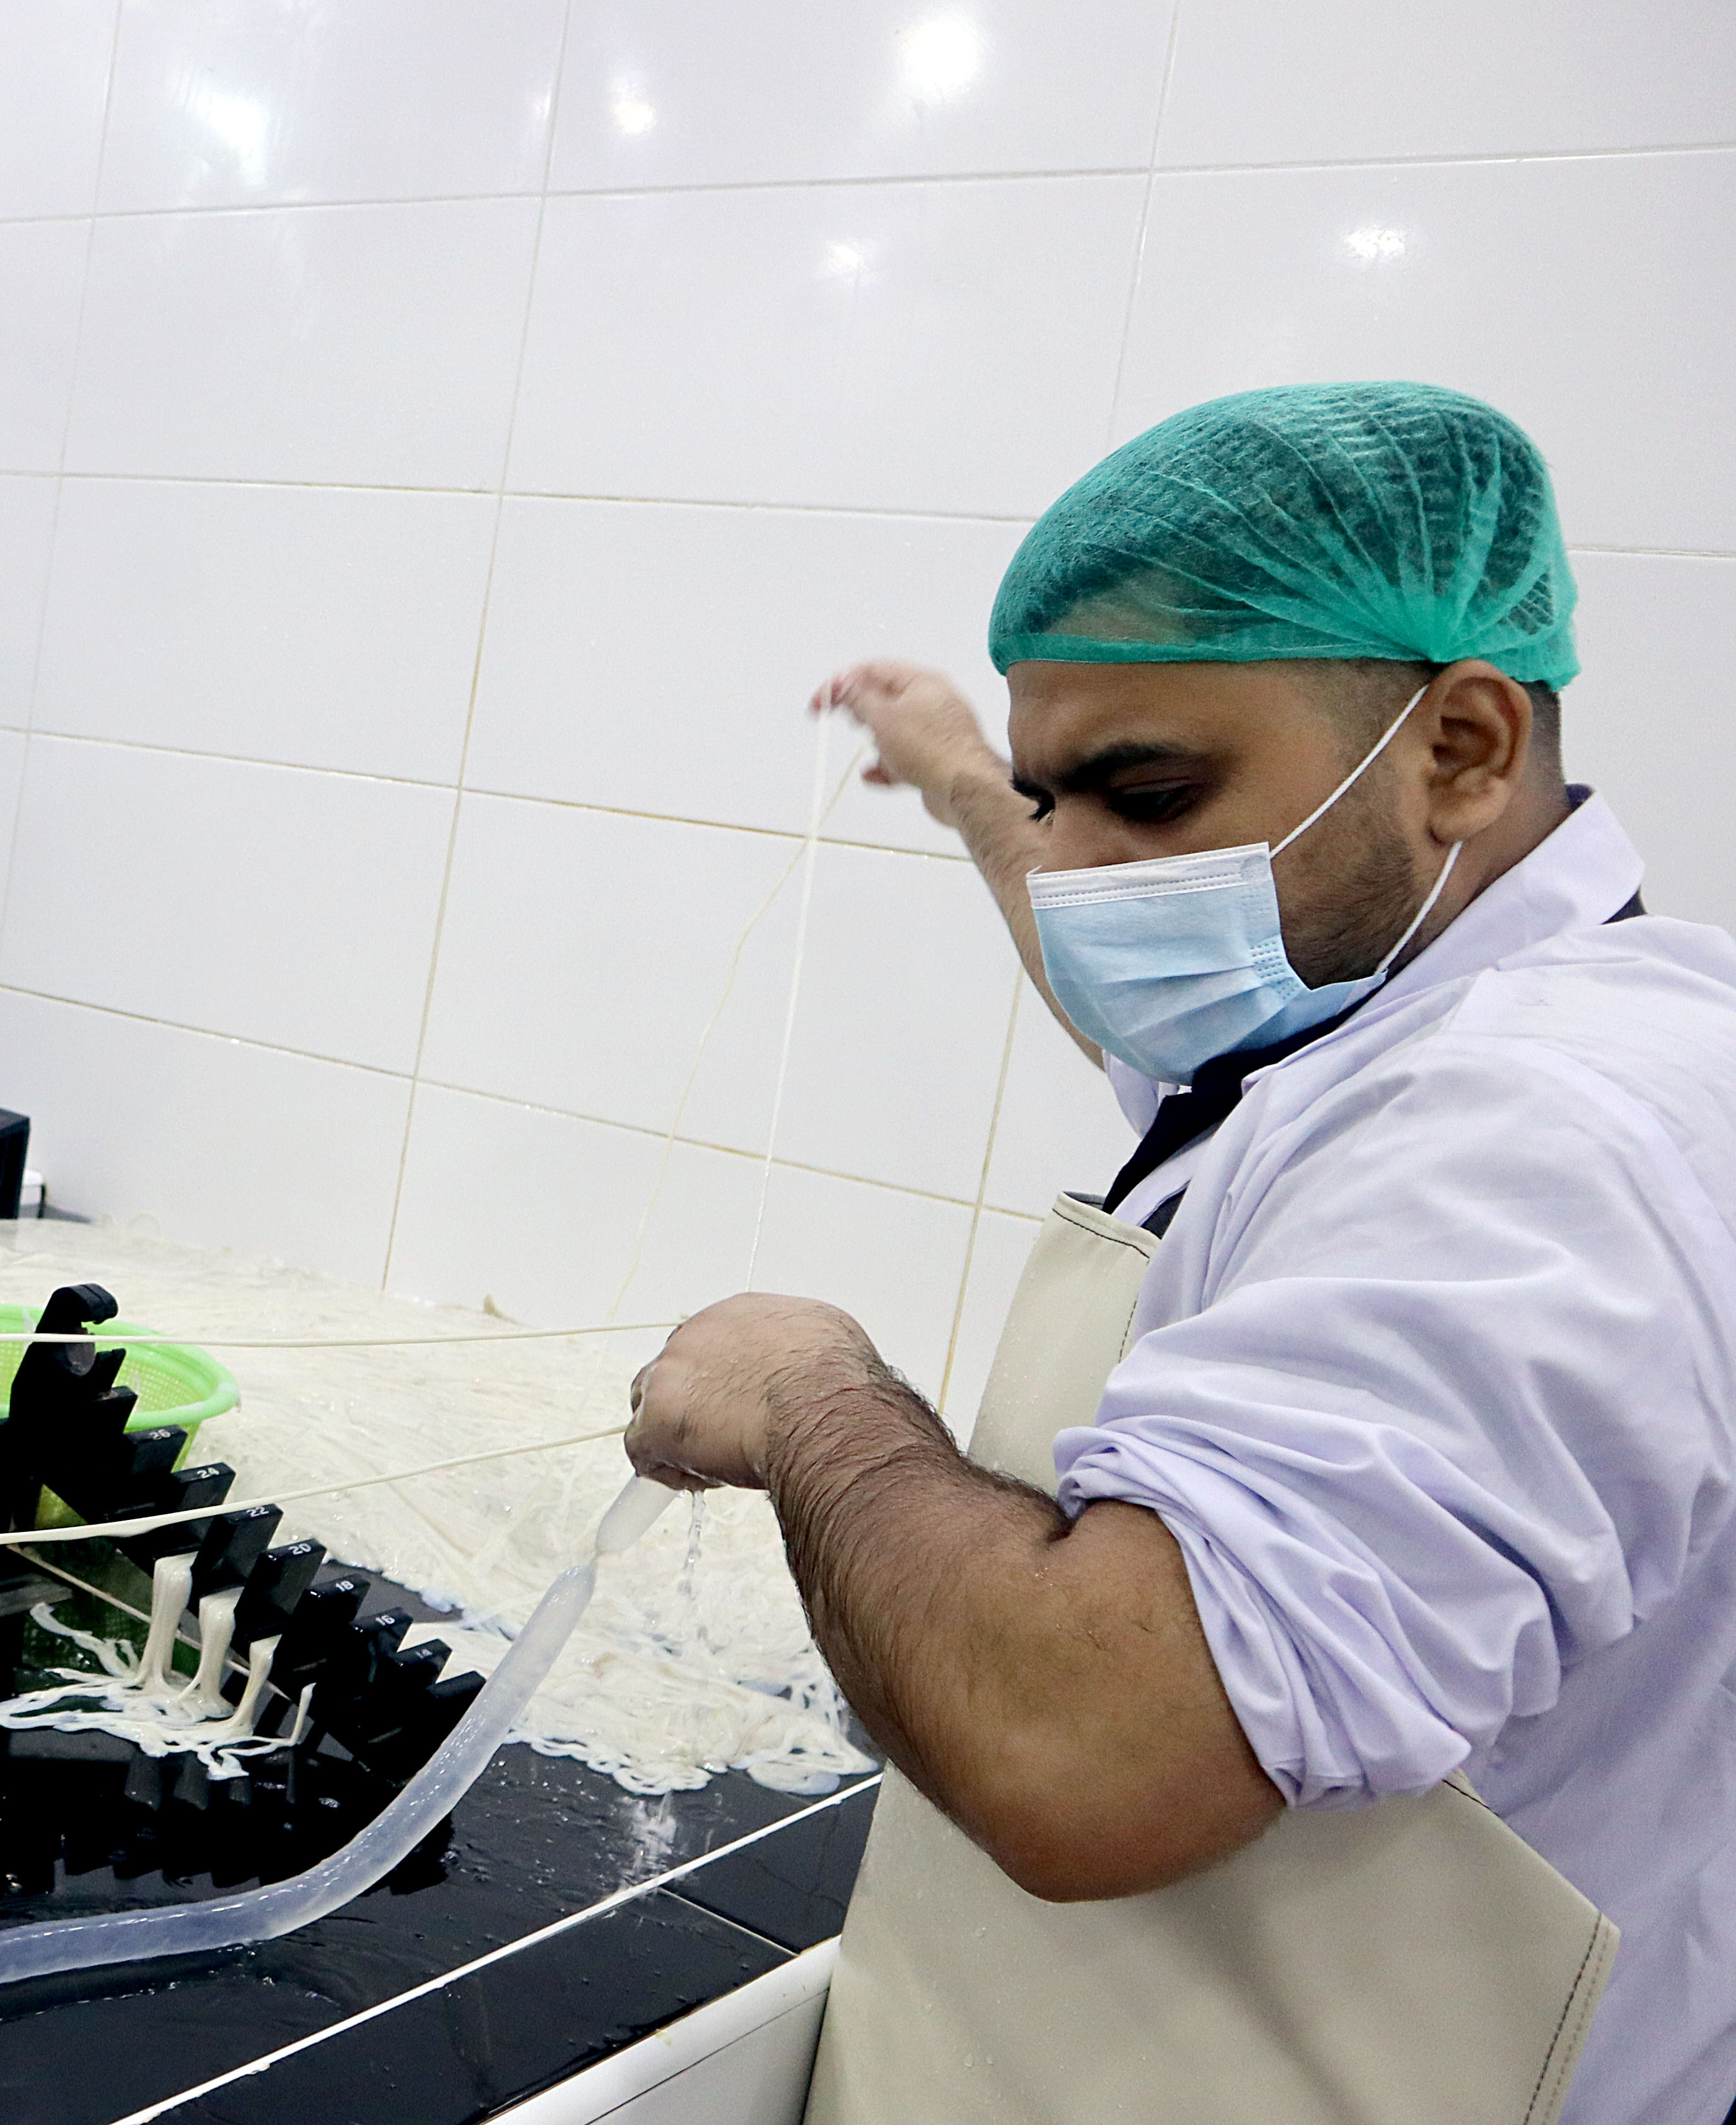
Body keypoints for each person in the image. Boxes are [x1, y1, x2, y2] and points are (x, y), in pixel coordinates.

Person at [624, 382, 1736, 2123]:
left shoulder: (1531, 1139)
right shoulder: (1389, 1007)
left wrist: (807, 1397)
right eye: (1054, 797)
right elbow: (1171, 1025)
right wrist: (970, 790)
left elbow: (1092, 1755)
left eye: (1143, 790)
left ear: (1463, 749)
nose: (1081, 873)